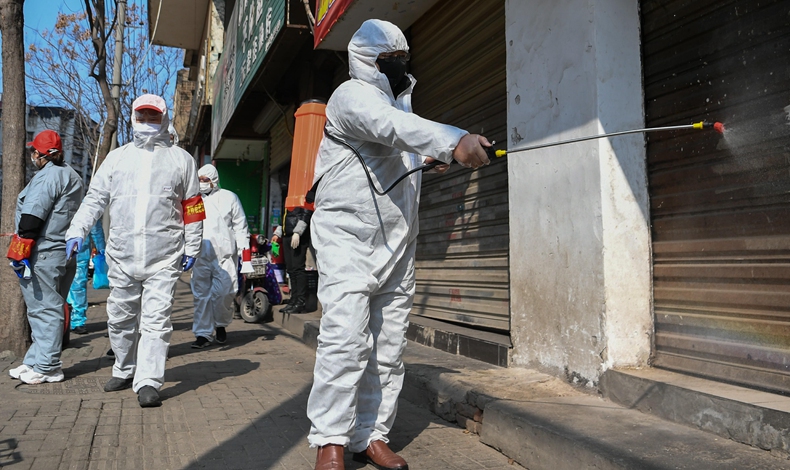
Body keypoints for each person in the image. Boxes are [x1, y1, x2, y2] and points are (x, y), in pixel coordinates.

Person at [307, 19, 491, 470]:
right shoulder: (350, 96)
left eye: (402, 58)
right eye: (388, 59)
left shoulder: (401, 103)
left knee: (388, 348)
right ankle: (330, 440)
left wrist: (429, 158)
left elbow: (397, 145)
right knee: (345, 340)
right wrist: (453, 141)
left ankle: (370, 435)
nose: (397, 65)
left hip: (397, 242)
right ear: (365, 60)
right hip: (348, 239)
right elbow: (388, 127)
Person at [65, 94, 204, 407]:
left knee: (156, 321)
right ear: (132, 118)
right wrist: (77, 230)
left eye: (153, 116)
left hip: (164, 256)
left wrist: (193, 245)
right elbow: (95, 198)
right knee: (119, 318)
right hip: (122, 255)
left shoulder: (181, 160)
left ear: (164, 119)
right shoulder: (117, 158)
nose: (147, 122)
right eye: (142, 116)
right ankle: (124, 367)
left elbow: (193, 207)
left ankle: (149, 381)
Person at [7, 130, 83, 385]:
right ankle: (35, 361)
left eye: (34, 152)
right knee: (46, 308)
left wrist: (20, 250)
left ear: (40, 154)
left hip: (44, 252)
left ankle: (48, 366)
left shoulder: (48, 177)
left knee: (44, 309)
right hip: (62, 252)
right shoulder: (72, 175)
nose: (32, 156)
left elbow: (32, 216)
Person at [190, 164, 250, 348]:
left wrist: (245, 255)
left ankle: (221, 324)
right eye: (199, 180)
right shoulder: (193, 200)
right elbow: (188, 226)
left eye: (205, 180)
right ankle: (203, 334)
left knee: (225, 293)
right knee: (201, 296)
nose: (201, 183)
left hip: (224, 256)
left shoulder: (229, 198)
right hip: (200, 256)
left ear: (214, 180)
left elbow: (240, 227)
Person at [66, 220, 106, 335]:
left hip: (72, 250)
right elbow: (95, 227)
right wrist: (101, 249)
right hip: (79, 249)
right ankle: (76, 320)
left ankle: (74, 320)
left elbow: (94, 225)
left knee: (75, 286)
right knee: (78, 286)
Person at [280, 206, 313, 314]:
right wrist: (279, 232)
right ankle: (293, 299)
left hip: (298, 235)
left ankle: (300, 301)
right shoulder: (289, 198)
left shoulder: (303, 196)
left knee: (297, 268)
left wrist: (298, 232)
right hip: (287, 234)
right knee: (290, 269)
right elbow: (285, 215)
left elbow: (306, 212)